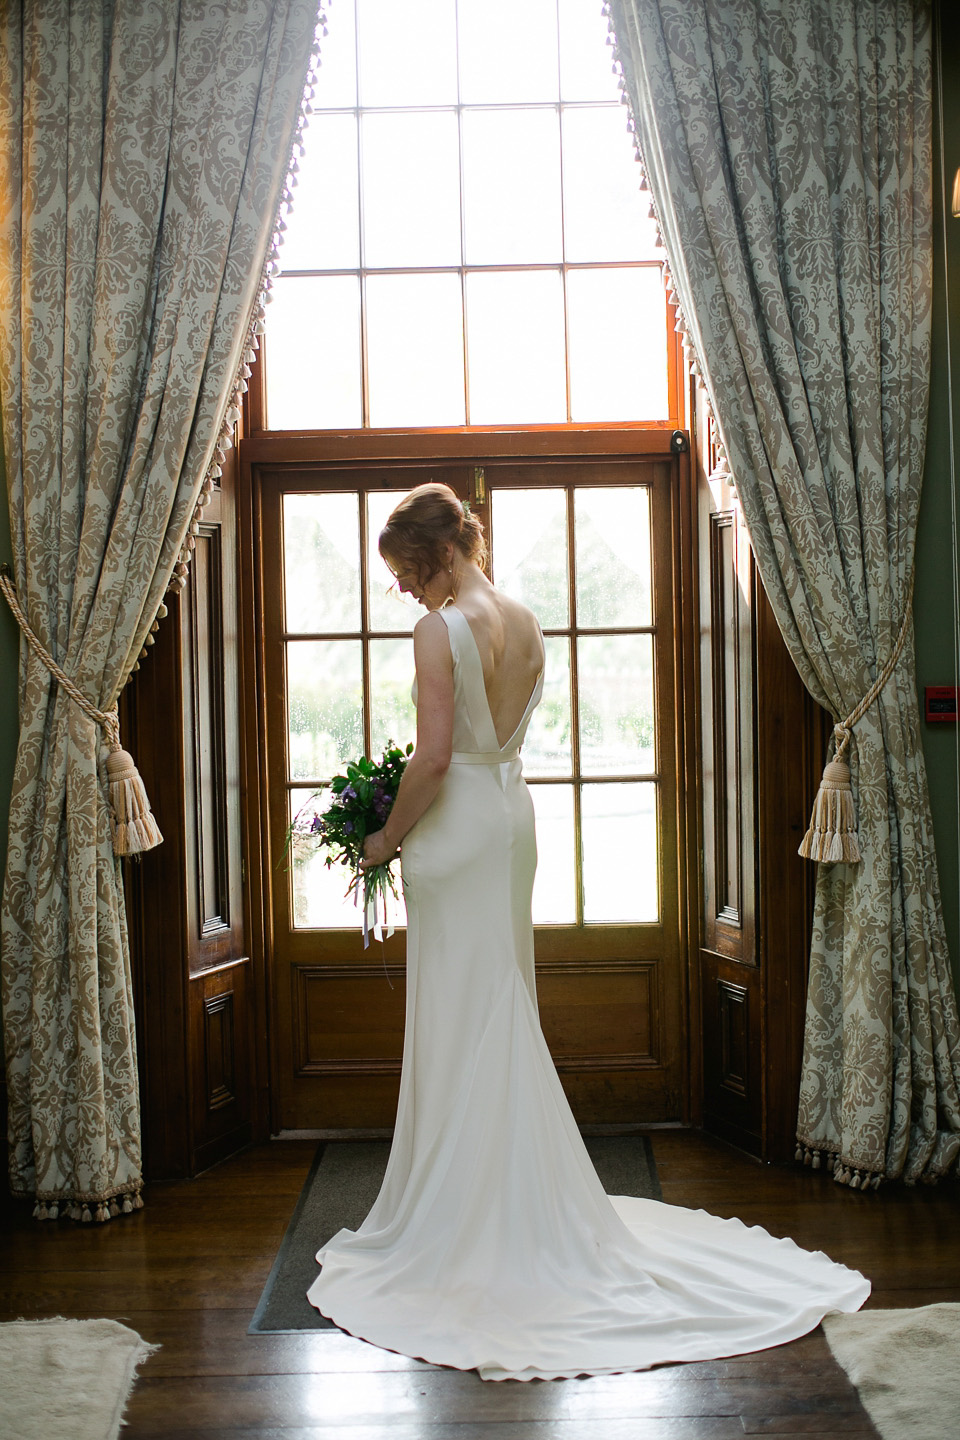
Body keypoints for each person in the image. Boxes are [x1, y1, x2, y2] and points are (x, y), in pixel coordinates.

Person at [306, 482, 869, 1382]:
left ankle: (466, 1211)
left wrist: (381, 837)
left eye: (407, 571)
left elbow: (435, 755)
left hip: (456, 826)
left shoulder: (440, 628)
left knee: (463, 1008)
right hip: (510, 819)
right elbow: (491, 747)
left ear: (437, 551)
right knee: (497, 1000)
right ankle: (502, 1192)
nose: (405, 591)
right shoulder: (526, 620)